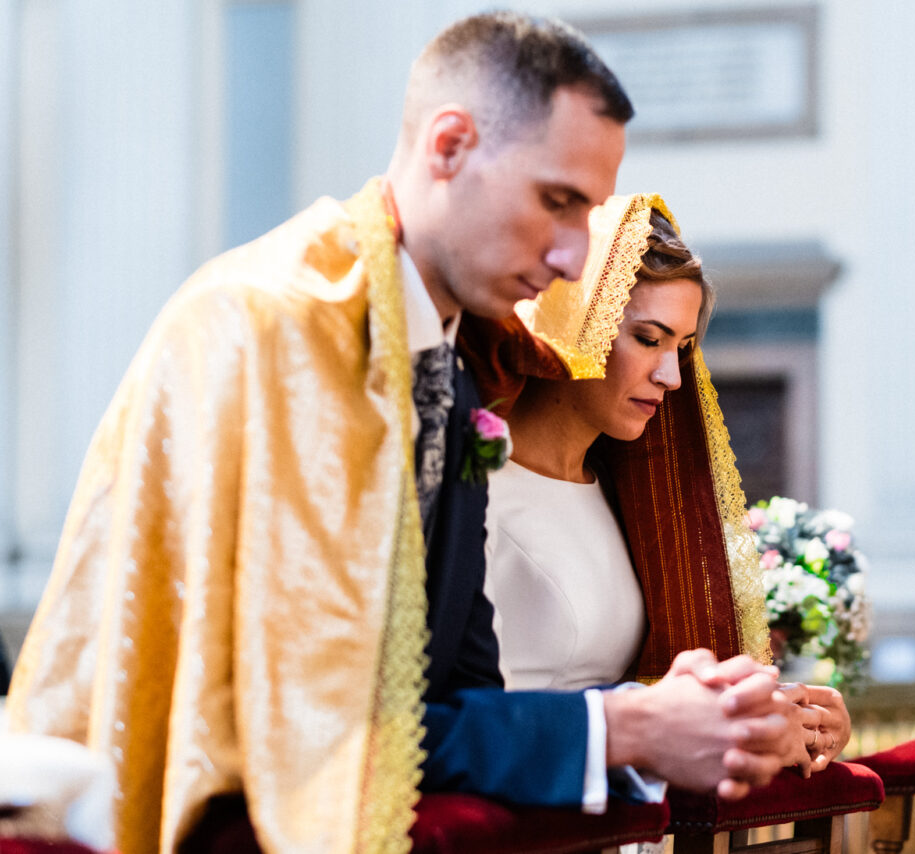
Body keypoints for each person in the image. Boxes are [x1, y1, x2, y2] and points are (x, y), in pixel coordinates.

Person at [5, 14, 794, 854]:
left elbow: (449, 699)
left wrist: (653, 720)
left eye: (588, 213)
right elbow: (309, 727)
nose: (572, 259)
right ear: (449, 145)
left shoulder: (450, 373)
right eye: (556, 202)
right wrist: (622, 728)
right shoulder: (272, 329)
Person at [464, 194, 852, 775]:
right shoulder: (474, 490)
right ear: (575, 324)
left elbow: (651, 691)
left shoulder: (633, 504)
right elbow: (463, 719)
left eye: (683, 348)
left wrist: (788, 718)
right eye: (649, 338)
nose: (672, 377)